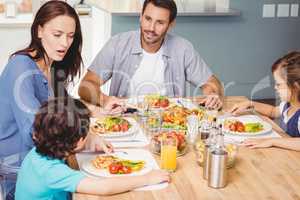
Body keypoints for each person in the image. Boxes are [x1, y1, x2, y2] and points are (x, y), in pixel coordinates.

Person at [0, 1, 111, 199]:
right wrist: (85, 140)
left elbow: (64, 107)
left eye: (70, 36)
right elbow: (35, 132)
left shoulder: (53, 65)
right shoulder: (20, 67)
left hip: (49, 159)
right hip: (20, 169)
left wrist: (95, 112)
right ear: (39, 30)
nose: (65, 44)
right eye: (57, 35)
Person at [78, 0, 224, 111]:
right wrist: (104, 100)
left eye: (160, 22)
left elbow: (212, 83)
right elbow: (86, 85)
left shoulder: (183, 48)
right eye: (148, 19)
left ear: (171, 24)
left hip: (170, 121)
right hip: (124, 118)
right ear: (140, 17)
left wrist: (213, 95)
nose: (151, 28)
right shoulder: (118, 44)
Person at [15, 97, 170, 200]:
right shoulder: (52, 172)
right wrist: (147, 178)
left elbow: (67, 143)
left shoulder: (41, 150)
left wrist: (92, 140)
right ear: (78, 142)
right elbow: (104, 187)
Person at [229, 51, 300, 151]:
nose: (275, 87)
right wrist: (250, 104)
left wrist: (272, 141)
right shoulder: (288, 105)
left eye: (279, 84)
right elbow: (273, 111)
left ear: (295, 87)